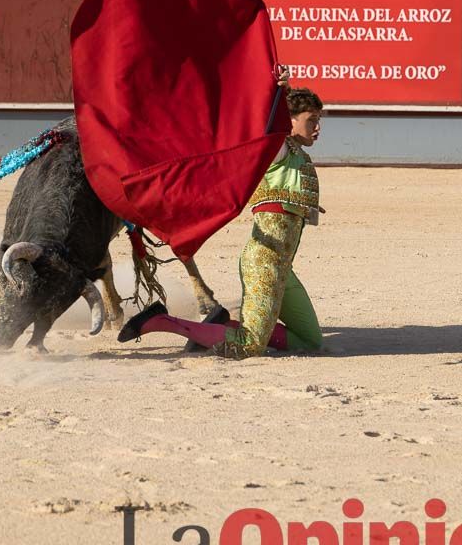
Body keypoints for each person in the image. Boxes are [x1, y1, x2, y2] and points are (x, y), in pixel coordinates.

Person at [119, 73, 326, 360]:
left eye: (319, 120)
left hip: (283, 267)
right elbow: (266, 121)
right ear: (289, 121)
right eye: (311, 120)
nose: (318, 128)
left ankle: (221, 325)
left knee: (310, 341)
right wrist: (279, 91)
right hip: (264, 263)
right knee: (250, 345)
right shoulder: (276, 149)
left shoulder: (299, 157)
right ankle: (160, 321)